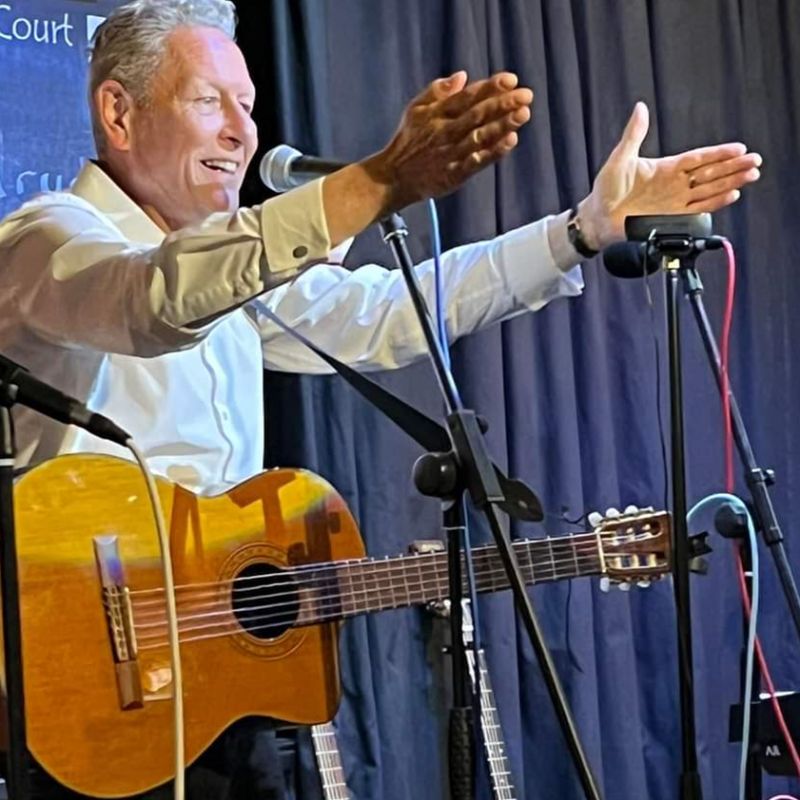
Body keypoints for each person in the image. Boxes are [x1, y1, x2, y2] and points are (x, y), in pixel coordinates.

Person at [0, 0, 761, 797]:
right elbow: (152, 302)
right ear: (118, 113)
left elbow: (389, 312)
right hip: (80, 701)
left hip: (217, 695)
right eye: (208, 102)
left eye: (249, 107)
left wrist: (581, 229)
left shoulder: (230, 277)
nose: (240, 132)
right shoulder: (46, 240)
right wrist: (375, 181)